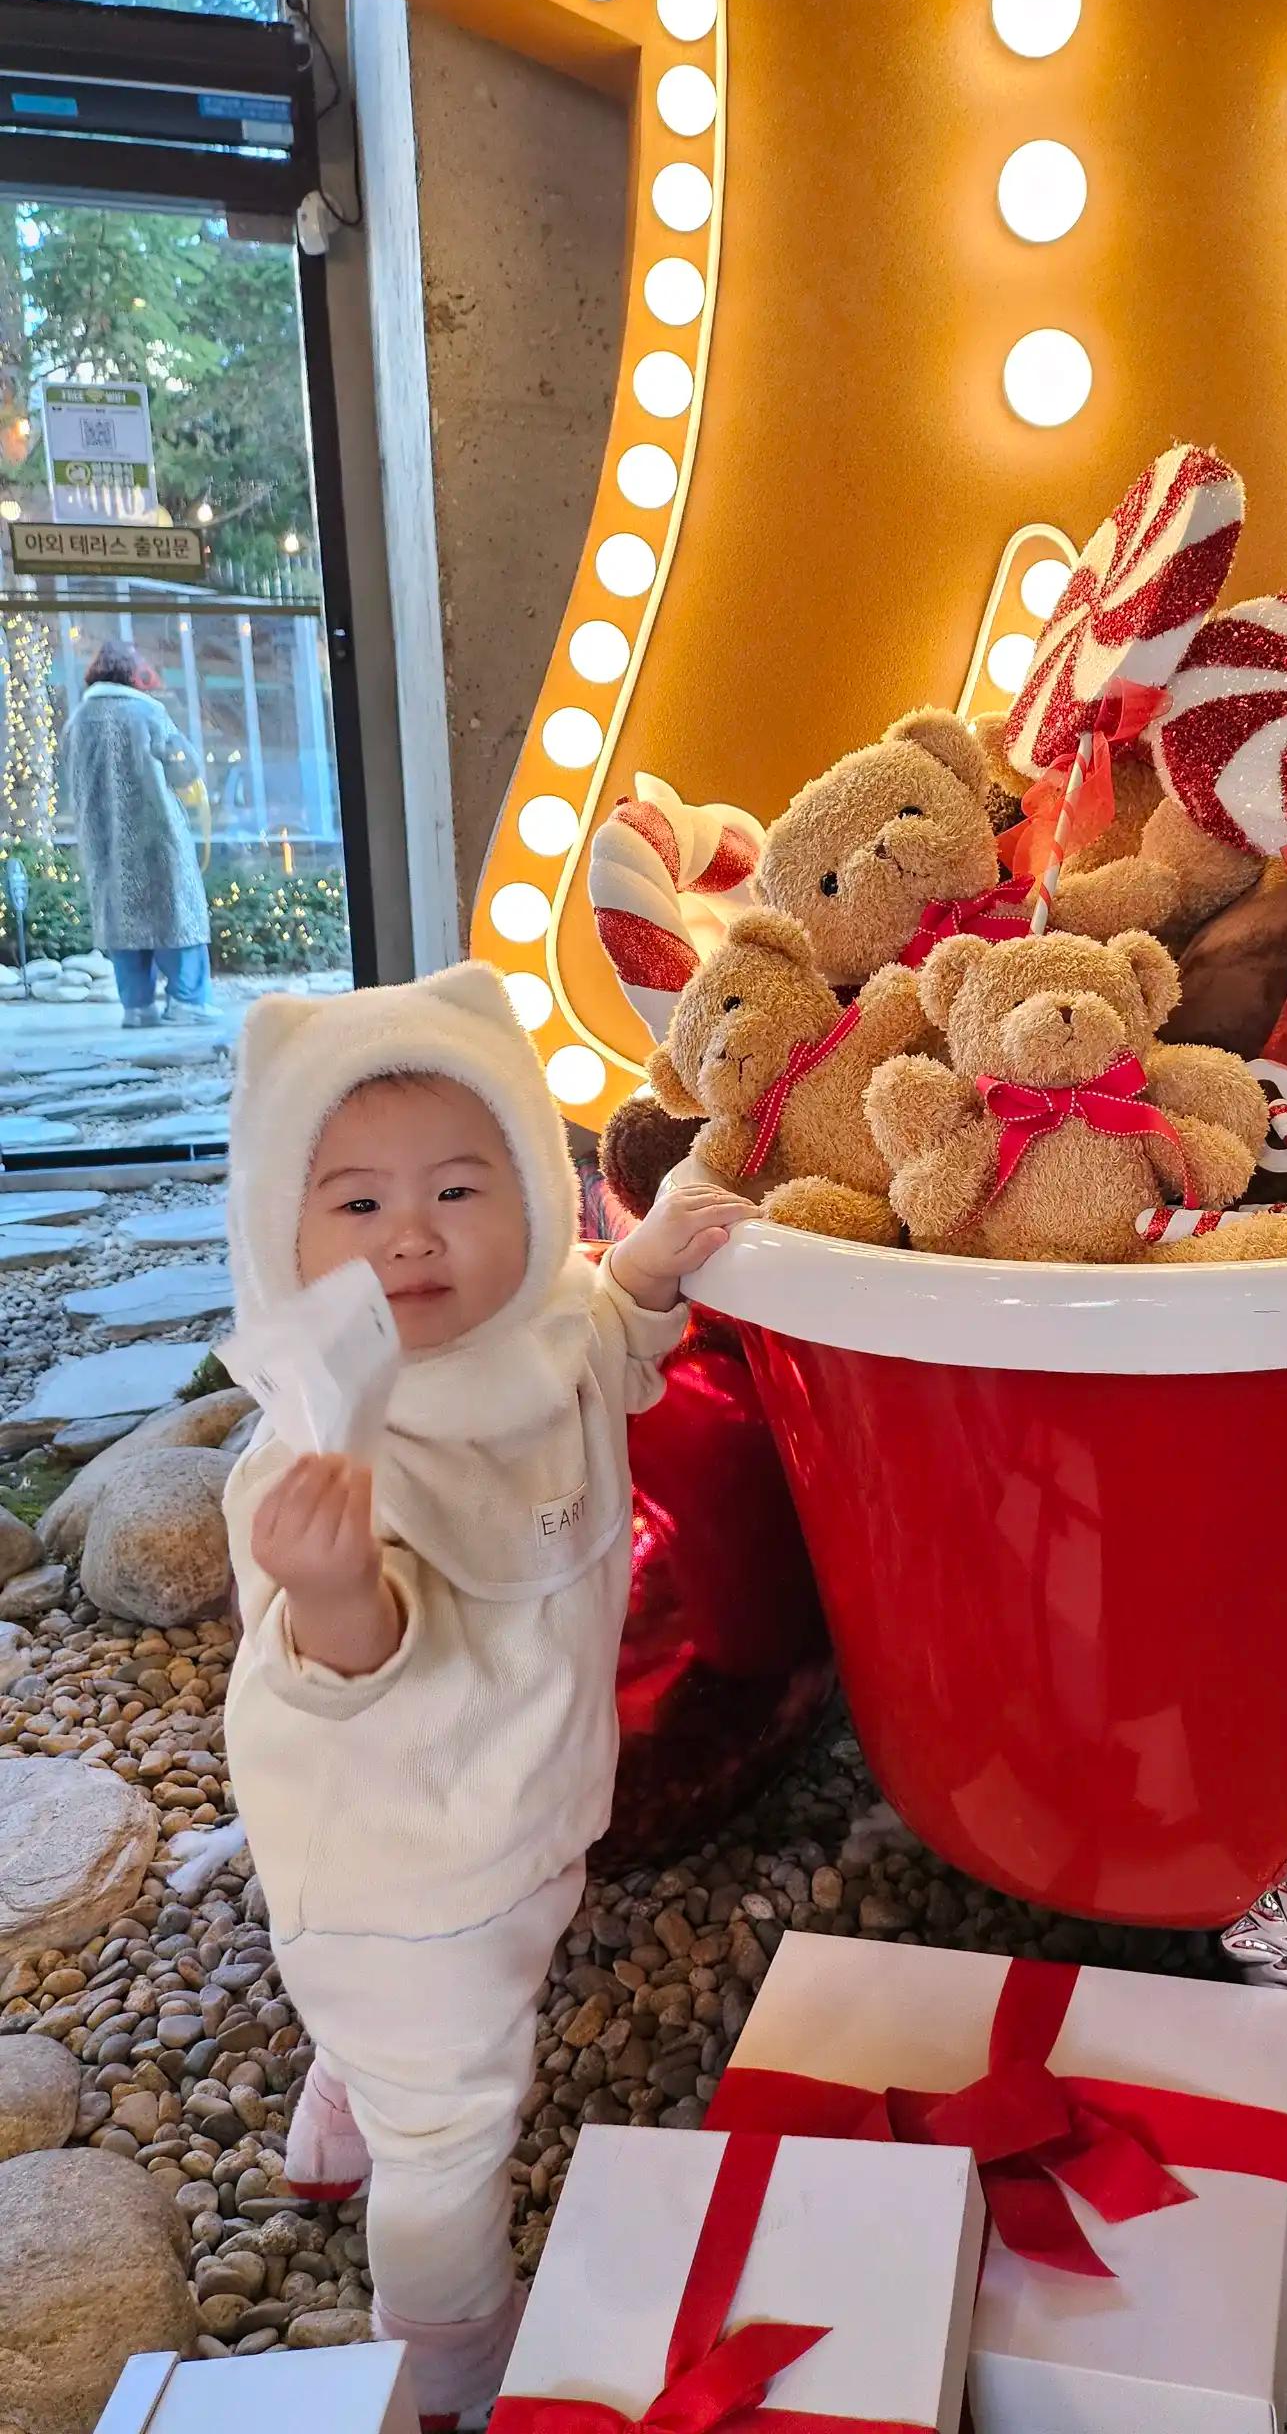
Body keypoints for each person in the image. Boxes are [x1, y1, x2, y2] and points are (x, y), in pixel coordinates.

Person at [221, 963, 751, 2427]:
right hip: (405, 1869)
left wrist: (642, 1276)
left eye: (461, 1190)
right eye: (355, 1205)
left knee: (408, 2046)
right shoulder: (330, 1450)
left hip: (518, 1823)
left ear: (535, 1186)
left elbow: (594, 1341)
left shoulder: (534, 1335)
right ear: (279, 1232)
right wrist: (334, 1594)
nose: (410, 1237)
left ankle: (340, 2117)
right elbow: (322, 1679)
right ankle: (442, 2340)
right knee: (453, 2120)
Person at [59, 639, 215, 1027]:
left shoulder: (77, 720)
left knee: (122, 920)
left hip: (103, 842)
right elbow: (184, 770)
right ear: (132, 674)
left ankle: (137, 1006)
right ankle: (188, 1002)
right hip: (156, 833)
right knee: (177, 913)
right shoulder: (148, 712)